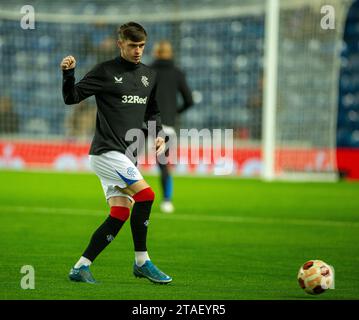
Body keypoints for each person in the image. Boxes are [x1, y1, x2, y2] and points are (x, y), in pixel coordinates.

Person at [60, 22, 172, 284]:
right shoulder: (105, 71)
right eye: (132, 46)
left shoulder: (149, 75)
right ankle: (142, 262)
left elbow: (152, 110)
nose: (137, 51)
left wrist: (158, 134)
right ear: (120, 43)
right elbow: (72, 97)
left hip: (125, 155)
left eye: (142, 46)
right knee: (146, 195)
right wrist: (68, 75)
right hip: (106, 151)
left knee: (120, 213)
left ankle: (80, 267)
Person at [150, 40, 194, 213]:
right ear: (170, 53)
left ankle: (126, 197)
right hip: (166, 126)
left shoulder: (146, 71)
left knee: (130, 161)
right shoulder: (177, 73)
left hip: (142, 124)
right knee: (163, 164)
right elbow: (189, 100)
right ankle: (167, 201)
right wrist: (174, 112)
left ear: (155, 53)